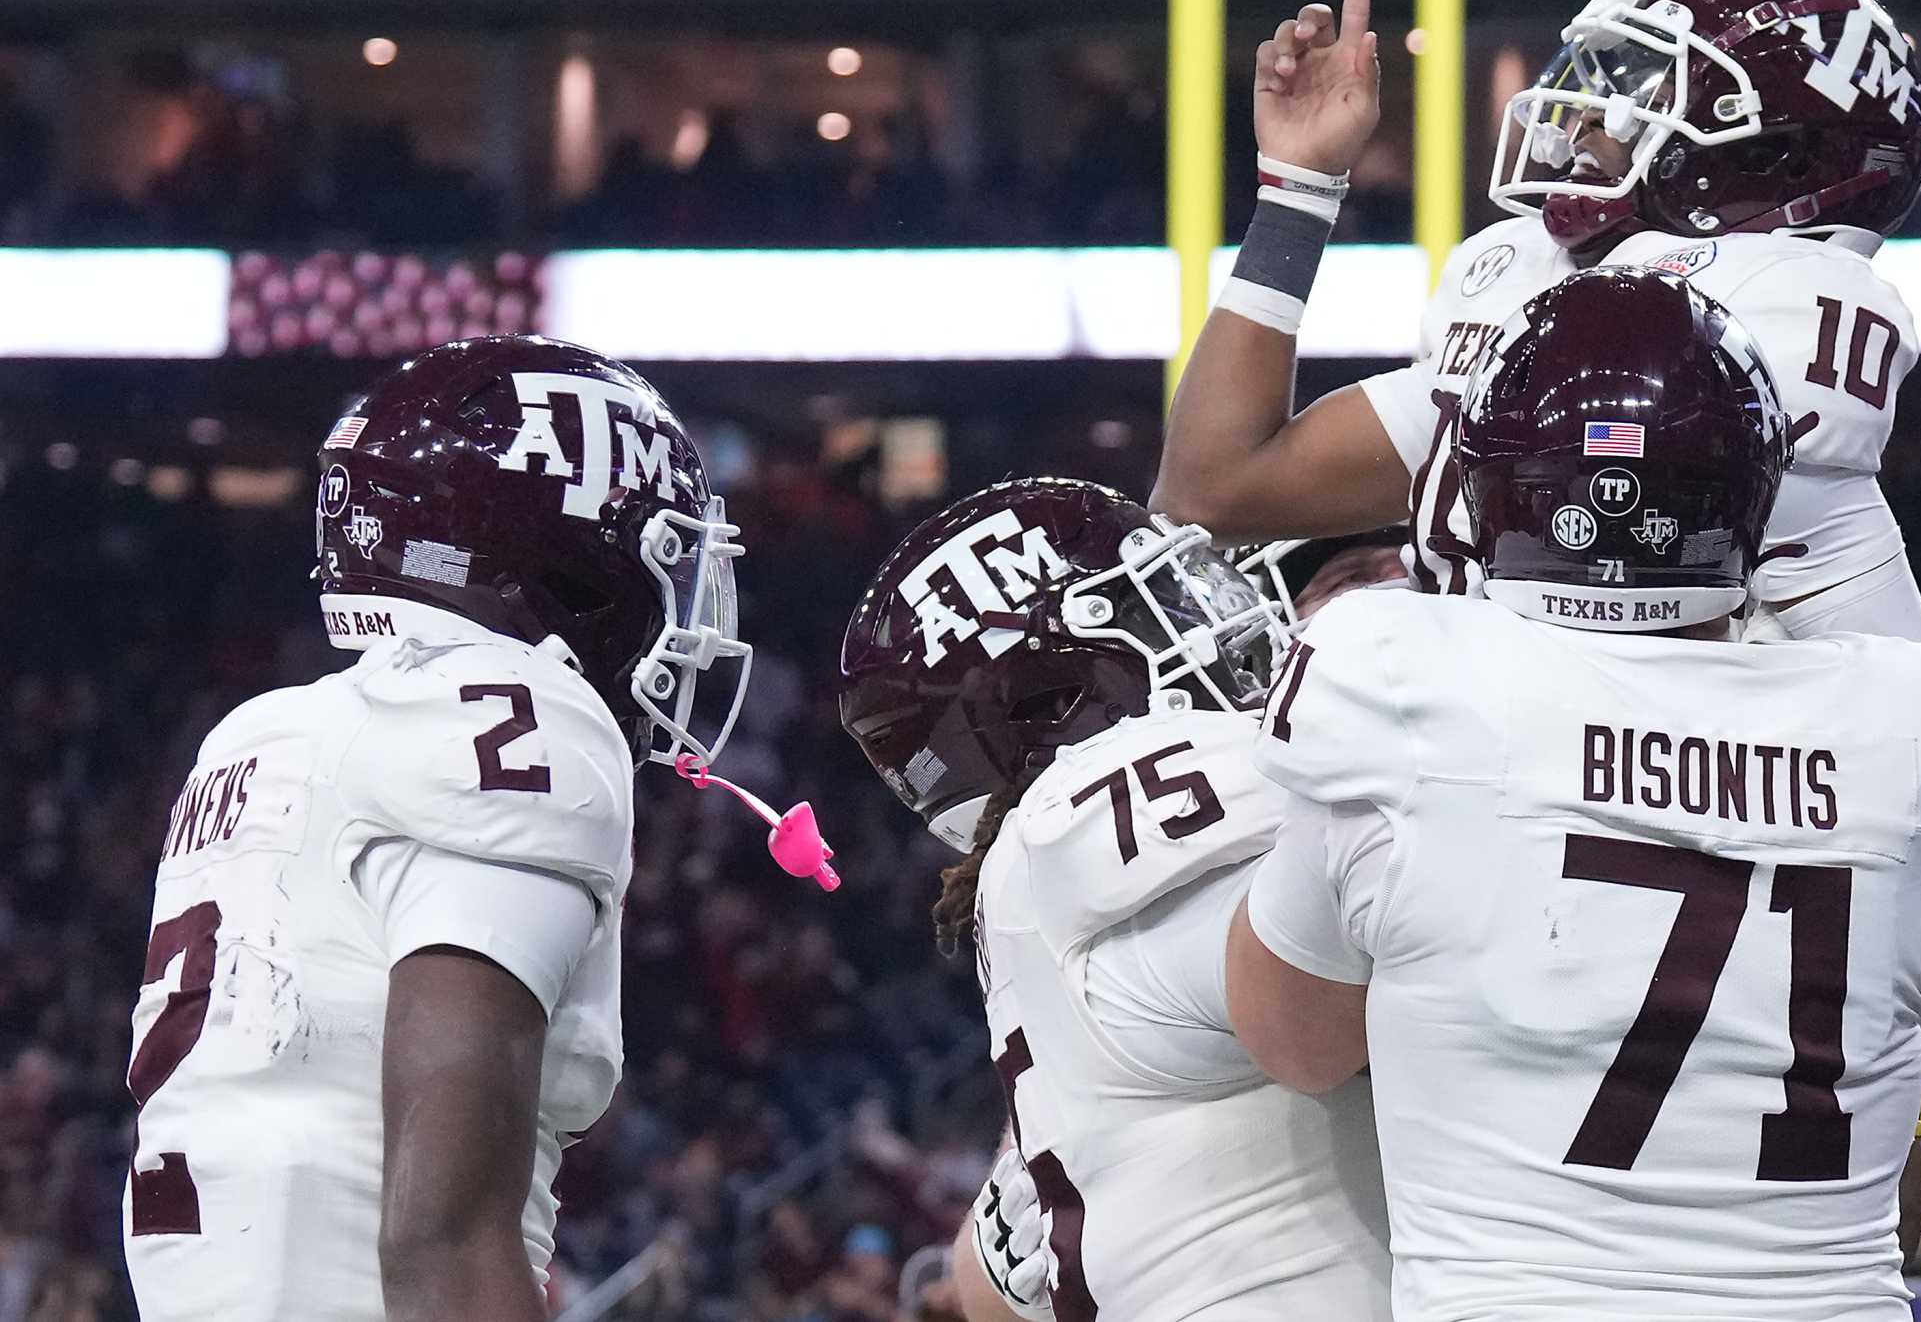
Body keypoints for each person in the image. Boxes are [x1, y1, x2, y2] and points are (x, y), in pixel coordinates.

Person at [1226, 269, 1921, 1321]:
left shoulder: (1397, 682)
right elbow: (1893, 1185)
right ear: (1750, 491)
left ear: (1488, 486)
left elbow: (1295, 1038)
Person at [123, 336, 753, 1322]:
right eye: (658, 555)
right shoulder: (517, 713)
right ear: (561, 552)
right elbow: (439, 1236)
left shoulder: (260, 734)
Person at [1155, 0, 1921, 641]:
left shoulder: (1785, 305)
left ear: (1779, 156)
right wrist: (1299, 188)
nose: (1586, 128)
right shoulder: (1539, 272)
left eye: (1647, 97)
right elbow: (1214, 491)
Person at [838, 479, 1391, 1322]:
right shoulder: (1099, 811)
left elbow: (988, 1287)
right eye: (1163, 599)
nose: (1221, 615)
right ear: (1053, 699)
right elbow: (1337, 1013)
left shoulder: (1040, 879)